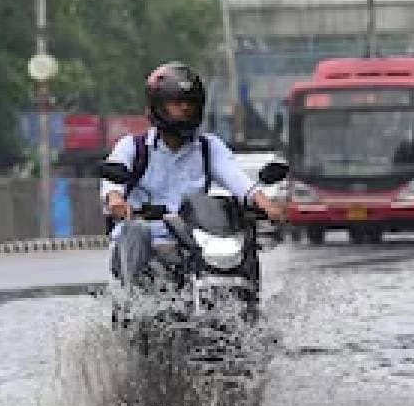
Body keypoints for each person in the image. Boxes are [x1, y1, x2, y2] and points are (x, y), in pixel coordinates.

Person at [101, 62, 284, 284]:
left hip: (195, 241)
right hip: (148, 242)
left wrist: (264, 202)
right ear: (157, 106)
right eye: (176, 102)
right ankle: (136, 305)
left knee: (242, 245)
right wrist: (117, 200)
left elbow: (236, 178)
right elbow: (112, 185)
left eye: (190, 102)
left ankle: (248, 304)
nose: (185, 108)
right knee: (138, 230)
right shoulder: (132, 147)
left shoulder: (209, 147)